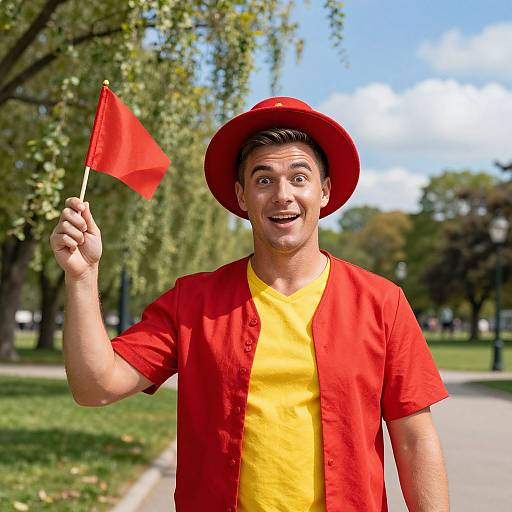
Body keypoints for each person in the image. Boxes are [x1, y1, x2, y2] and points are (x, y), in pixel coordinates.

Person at [50, 97, 450, 512]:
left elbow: (414, 437)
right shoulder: (193, 303)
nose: (282, 195)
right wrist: (82, 277)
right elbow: (95, 387)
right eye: (263, 180)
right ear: (241, 195)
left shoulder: (382, 302)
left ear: (324, 191)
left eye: (299, 177)